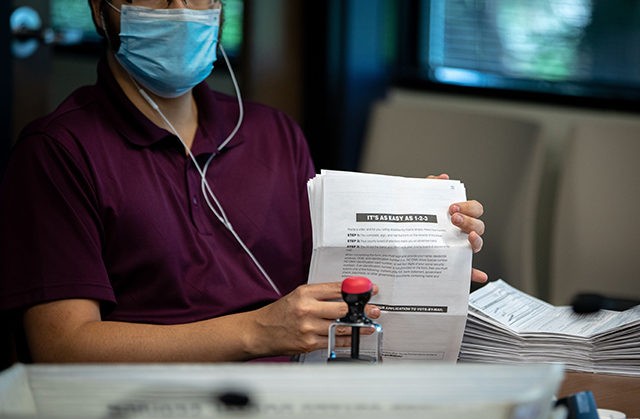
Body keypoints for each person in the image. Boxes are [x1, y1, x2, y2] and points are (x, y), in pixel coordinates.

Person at [0, 0, 486, 364]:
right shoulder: (58, 150)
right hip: (154, 413)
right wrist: (257, 330)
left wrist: (420, 251)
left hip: (302, 391)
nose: (181, 11)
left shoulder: (272, 133)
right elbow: (61, 345)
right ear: (100, 9)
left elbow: (326, 282)